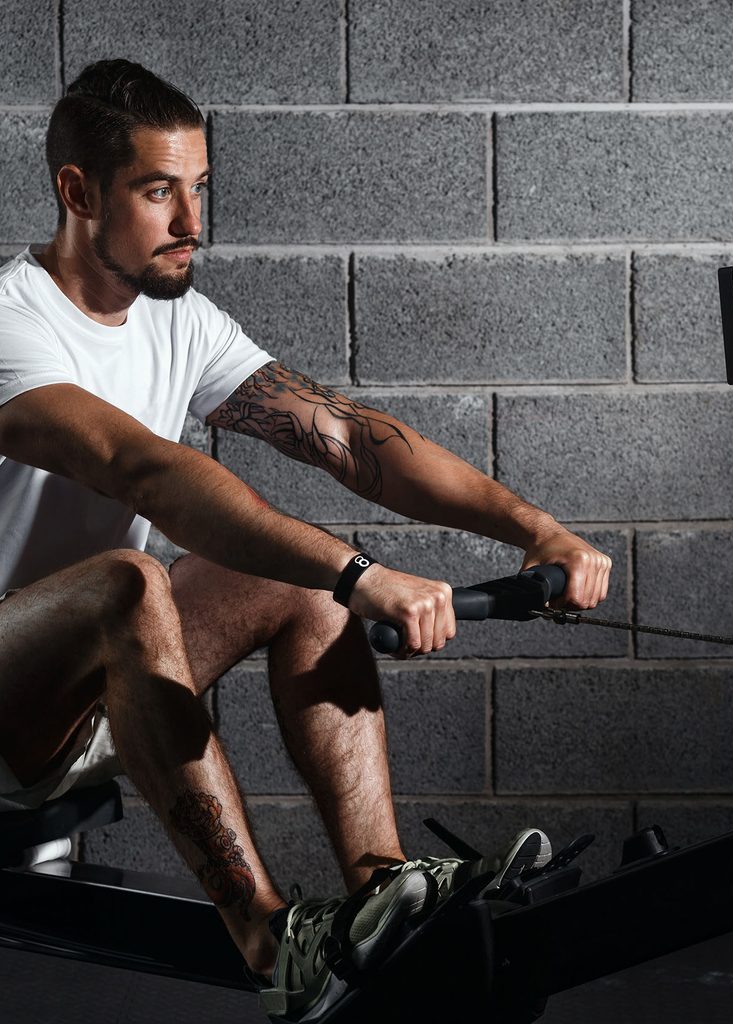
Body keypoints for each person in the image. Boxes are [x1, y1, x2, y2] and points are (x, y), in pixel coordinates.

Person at [0, 59, 611, 1021]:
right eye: (160, 192)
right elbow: (142, 469)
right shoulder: (11, 322)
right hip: (6, 691)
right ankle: (271, 943)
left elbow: (347, 437)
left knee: (294, 581)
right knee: (130, 581)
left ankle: (382, 891)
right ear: (78, 191)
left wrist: (534, 527)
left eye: (198, 188)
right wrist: (362, 574)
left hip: (81, 695)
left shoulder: (181, 324)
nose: (193, 223)